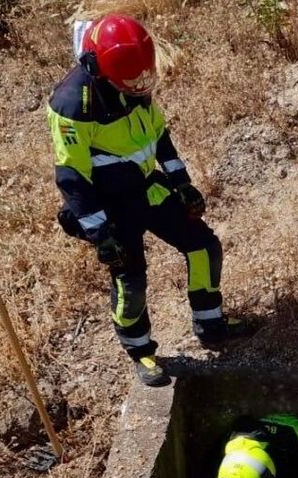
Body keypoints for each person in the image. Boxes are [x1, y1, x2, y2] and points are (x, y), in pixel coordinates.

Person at [46, 14, 249, 387]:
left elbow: (158, 135)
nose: (142, 86)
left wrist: (181, 182)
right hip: (111, 206)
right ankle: (140, 351)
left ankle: (211, 324)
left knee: (204, 246)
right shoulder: (73, 105)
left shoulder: (133, 81)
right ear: (101, 68)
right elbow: (72, 177)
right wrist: (98, 233)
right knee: (131, 281)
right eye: (133, 81)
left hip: (148, 188)